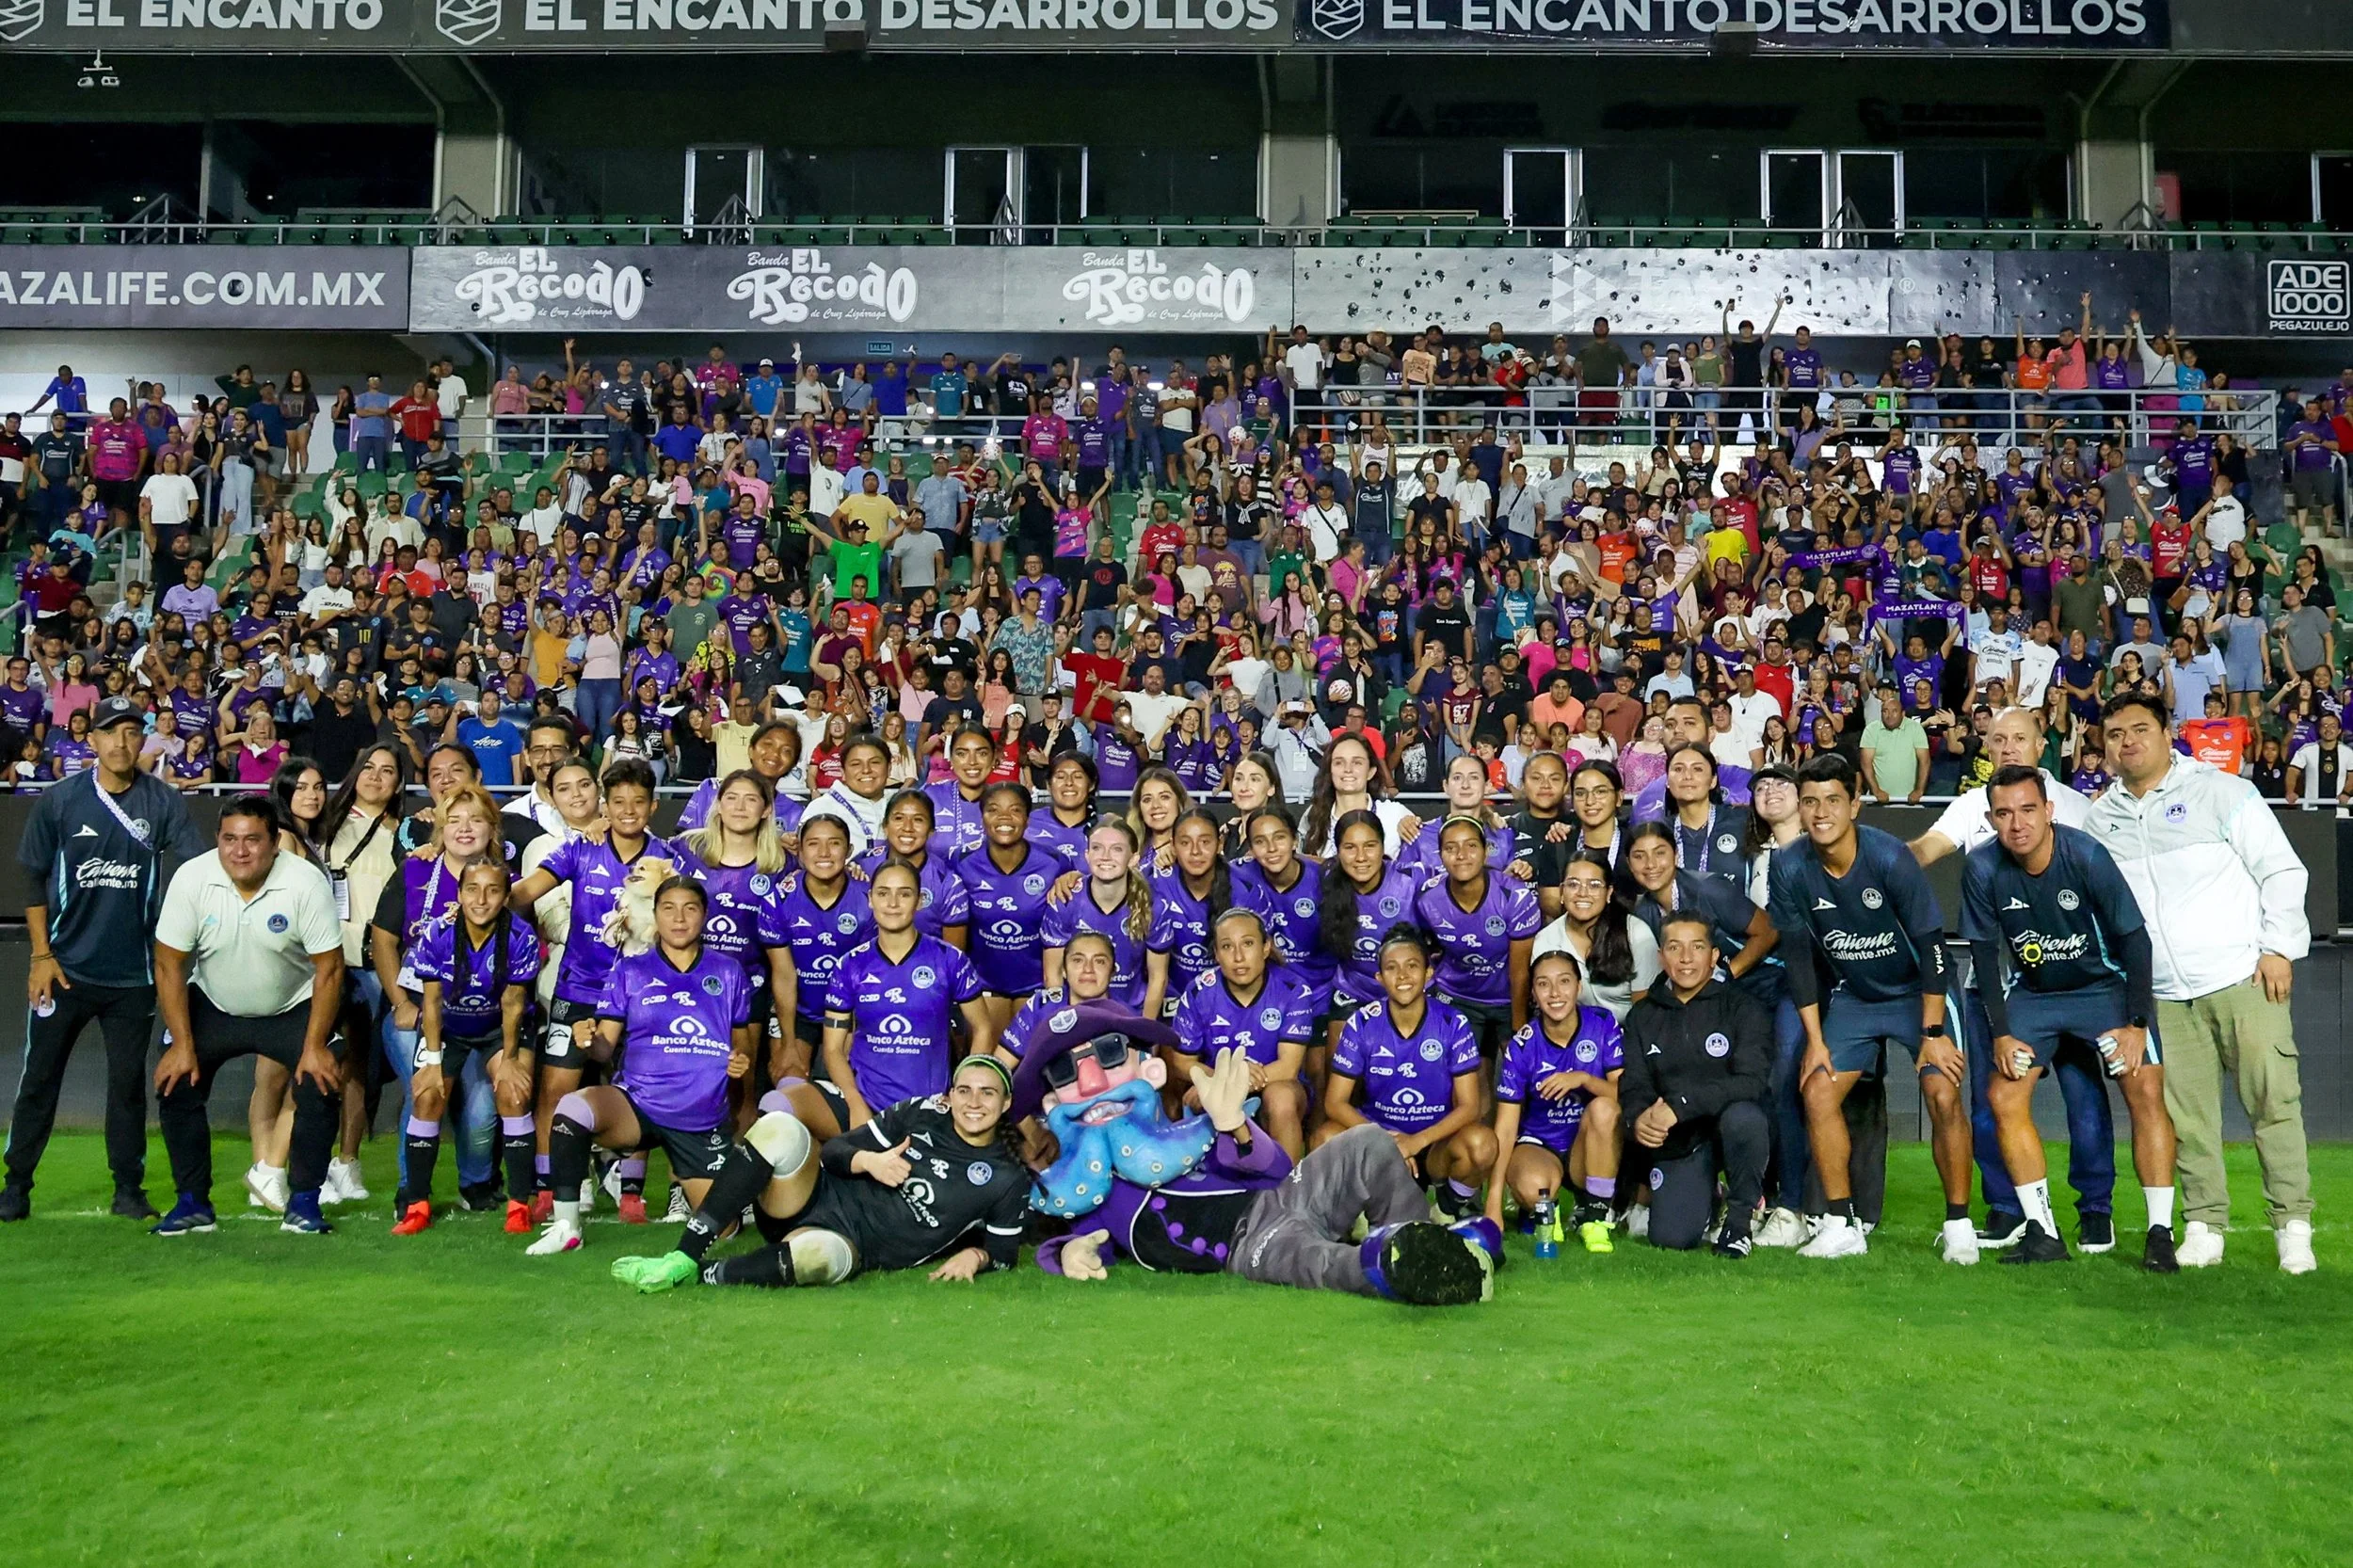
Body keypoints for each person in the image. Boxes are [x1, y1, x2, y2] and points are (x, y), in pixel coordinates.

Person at [1022, 1012, 1497, 1305]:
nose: (1090, 1083)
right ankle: (1405, 1269)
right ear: (1053, 1107)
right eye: (1065, 1071)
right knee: (1323, 1263)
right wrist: (1067, 1250)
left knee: (1369, 1141)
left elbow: (1277, 1171)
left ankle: (1425, 1243)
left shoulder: (1180, 1132)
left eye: (1107, 1054)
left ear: (1147, 1070)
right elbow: (1082, 1239)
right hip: (1250, 1246)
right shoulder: (1088, 1190)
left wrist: (1235, 1126)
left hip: (1284, 1195)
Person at [2087, 693, 2315, 1274]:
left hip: (2242, 976)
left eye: (2139, 729)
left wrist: (2278, 948)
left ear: (2169, 734)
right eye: (2114, 734)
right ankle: (2205, 1225)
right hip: (2163, 993)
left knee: (2273, 1101)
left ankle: (2293, 1226)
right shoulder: (2100, 820)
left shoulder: (2223, 792)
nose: (2127, 742)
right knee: (2187, 1119)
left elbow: (2283, 869)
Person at [1906, 705, 2117, 1253]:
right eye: (1996, 739)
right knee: (1989, 1097)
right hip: (1992, 983)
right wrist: (1873, 865)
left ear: (2040, 742)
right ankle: (2008, 1209)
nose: (2007, 748)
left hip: (2067, 977)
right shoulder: (1972, 806)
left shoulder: (2072, 806)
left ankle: (2095, 1209)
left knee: (2083, 1095)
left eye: (2018, 738)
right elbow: (1925, 851)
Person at [1962, 767, 2179, 1272]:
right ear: (1992, 818)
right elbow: (1982, 949)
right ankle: (2043, 1232)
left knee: (2144, 1088)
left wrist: (2137, 1026)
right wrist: (2001, 1033)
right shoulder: (1981, 867)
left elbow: (2135, 939)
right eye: (2004, 813)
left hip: (2102, 989)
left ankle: (2160, 1233)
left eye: (2028, 809)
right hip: (2036, 996)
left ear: (2050, 811)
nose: (2017, 824)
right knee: (2002, 1093)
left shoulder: (2084, 854)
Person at [2, 696, 206, 1223]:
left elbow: (191, 871)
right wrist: (40, 955)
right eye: (110, 732)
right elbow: (30, 876)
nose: (121, 742)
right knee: (39, 1079)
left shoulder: (162, 802)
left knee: (125, 1087)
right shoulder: (61, 799)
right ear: (89, 740)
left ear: (144, 741)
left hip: (133, 976)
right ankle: (15, 1186)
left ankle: (128, 1190)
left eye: (132, 732)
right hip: (64, 969)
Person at [1768, 753, 1977, 1263]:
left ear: (1854, 804)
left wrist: (1933, 1032)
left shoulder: (1889, 857)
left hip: (1917, 993)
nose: (1820, 813)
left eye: (1832, 801)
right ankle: (1841, 1223)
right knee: (1817, 1091)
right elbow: (1798, 961)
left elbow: (1931, 946)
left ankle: (1958, 1225)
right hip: (1856, 997)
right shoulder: (1789, 866)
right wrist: (1815, 1042)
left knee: (1941, 1092)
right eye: (1810, 801)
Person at [609, 1053, 1030, 1292]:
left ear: (1006, 1103)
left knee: (817, 1258)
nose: (974, 1102)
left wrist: (976, 1256)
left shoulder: (1007, 1177)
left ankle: (699, 1275)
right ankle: (682, 1255)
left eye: (988, 1093)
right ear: (950, 1095)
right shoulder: (920, 1114)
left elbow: (1006, 1253)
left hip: (850, 1244)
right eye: (964, 1090)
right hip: (810, 1196)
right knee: (778, 1126)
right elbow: (838, 1151)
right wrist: (870, 1161)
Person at [525, 876, 756, 1256]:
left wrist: (738, 1063)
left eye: (690, 908)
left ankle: (708, 1181)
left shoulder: (728, 972)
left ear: (705, 916)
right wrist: (587, 1039)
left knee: (726, 1230)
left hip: (700, 1119)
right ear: (656, 915)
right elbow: (603, 1050)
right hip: (639, 1104)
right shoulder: (632, 970)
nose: (679, 919)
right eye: (668, 908)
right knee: (571, 1109)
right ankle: (567, 1227)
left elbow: (741, 1049)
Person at [148, 796, 347, 1237]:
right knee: (175, 1081)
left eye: (253, 840)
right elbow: (169, 965)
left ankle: (304, 1203)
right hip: (214, 1003)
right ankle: (192, 1203)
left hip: (291, 1006)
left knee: (321, 1079)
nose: (240, 851)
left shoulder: (305, 882)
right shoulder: (192, 878)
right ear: (218, 840)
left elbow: (329, 968)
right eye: (229, 839)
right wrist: (181, 1045)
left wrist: (314, 1047)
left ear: (275, 843)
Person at [507, 760, 666, 1222]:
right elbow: (527, 891)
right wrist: (489, 903)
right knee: (557, 1089)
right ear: (606, 804)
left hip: (641, 995)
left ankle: (631, 1191)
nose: (628, 810)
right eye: (618, 802)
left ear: (653, 805)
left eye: (638, 802)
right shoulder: (580, 849)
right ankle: (549, 1186)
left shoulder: (667, 858)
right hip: (577, 989)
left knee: (639, 1090)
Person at [396, 860, 541, 1236]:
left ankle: (519, 1205)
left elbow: (512, 1004)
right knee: (427, 1096)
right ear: (459, 895)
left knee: (513, 1093)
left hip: (498, 1029)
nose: (481, 899)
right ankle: (416, 1204)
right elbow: (430, 1003)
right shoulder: (436, 933)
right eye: (472, 890)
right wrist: (431, 1061)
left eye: (493, 890)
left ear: (506, 897)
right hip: (449, 1029)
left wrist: (509, 1059)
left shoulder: (520, 936)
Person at [1619, 912, 1775, 1256]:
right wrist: (1639, 1117)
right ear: (1661, 957)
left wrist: (1681, 1105)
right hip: (1681, 1140)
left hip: (1731, 1128)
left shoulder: (1743, 1008)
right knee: (1671, 1239)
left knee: (1745, 1117)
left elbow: (1751, 1082)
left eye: (1697, 947)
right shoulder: (1643, 1016)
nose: (1686, 958)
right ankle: (1710, 1195)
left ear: (1714, 956)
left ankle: (1739, 1222)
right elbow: (1634, 1085)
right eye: (1674, 948)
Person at [1320, 928, 1493, 1222]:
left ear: (1429, 974)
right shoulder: (1361, 1023)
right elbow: (1334, 1103)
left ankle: (1446, 1209)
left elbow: (1470, 1106)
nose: (1402, 976)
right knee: (1325, 1137)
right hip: (1379, 1141)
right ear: (1379, 979)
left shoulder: (1453, 1023)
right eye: (1391, 968)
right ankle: (1359, 1215)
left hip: (1435, 1144)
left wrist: (1415, 1143)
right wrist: (1387, 1141)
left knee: (1482, 1143)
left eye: (1412, 966)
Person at [816, 858, 998, 1133]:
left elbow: (983, 1027)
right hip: (864, 1102)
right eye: (883, 893)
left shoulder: (949, 960)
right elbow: (832, 1048)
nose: (892, 903)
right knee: (781, 1103)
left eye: (904, 894)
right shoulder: (849, 965)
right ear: (870, 900)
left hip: (927, 1107)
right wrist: (854, 1102)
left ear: (920, 901)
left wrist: (962, 1093)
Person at [1487, 949, 1625, 1251]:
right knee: (1533, 1187)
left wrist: (1584, 1079)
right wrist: (1493, 1204)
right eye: (1543, 984)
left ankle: (1595, 1219)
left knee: (1604, 1108)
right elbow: (1506, 1127)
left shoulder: (1603, 1024)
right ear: (1533, 993)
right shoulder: (1522, 1044)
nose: (1555, 993)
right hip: (1540, 1145)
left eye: (1564, 982)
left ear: (1578, 987)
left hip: (1588, 1147)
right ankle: (1542, 1209)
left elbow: (1627, 1095)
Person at [1170, 906, 1320, 1157]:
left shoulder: (1294, 990)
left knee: (1280, 1097)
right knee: (1199, 1097)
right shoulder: (1198, 992)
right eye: (1227, 947)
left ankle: (1292, 1190)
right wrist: (1220, 1082)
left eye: (1248, 943)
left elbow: (1288, 1067)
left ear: (1265, 948)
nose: (1238, 957)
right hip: (1219, 1082)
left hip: (1276, 1085)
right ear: (1216, 955)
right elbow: (1182, 1062)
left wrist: (1233, 1080)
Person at [1412, 815, 1543, 1054]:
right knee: (1469, 1084)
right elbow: (1425, 946)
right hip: (1458, 995)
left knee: (1520, 1077)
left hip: (1507, 999)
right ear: (1440, 855)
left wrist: (1517, 1027)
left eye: (1471, 846)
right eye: (1450, 848)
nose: (1461, 855)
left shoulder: (1514, 896)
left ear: (1485, 852)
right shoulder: (1427, 897)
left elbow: (1520, 972)